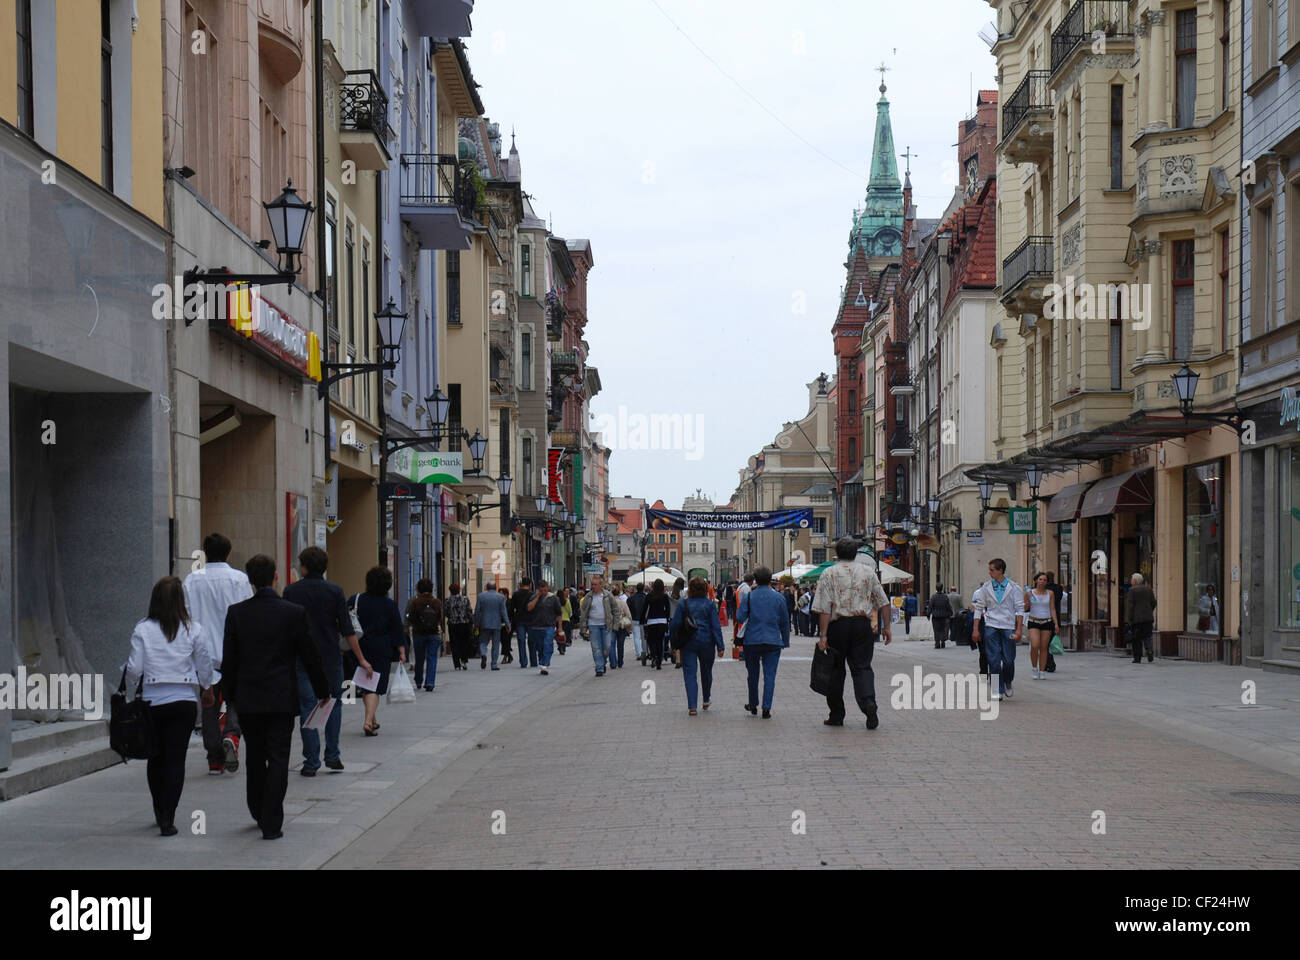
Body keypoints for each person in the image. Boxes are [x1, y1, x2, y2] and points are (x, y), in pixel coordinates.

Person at [222, 554, 328, 840]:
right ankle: (272, 819)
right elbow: (309, 654)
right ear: (276, 577)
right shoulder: (292, 612)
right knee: (279, 757)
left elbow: (229, 660)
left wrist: (228, 696)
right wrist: (323, 691)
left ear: (250, 580)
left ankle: (257, 809)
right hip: (281, 697)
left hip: (249, 698)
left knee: (255, 756)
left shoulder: (236, 613)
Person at [126, 577, 215, 836]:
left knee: (155, 757)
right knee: (176, 759)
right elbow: (204, 664)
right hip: (183, 700)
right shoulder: (194, 629)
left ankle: (158, 807)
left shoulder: (142, 629)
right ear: (180, 601)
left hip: (153, 701)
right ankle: (169, 817)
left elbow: (135, 669)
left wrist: (136, 681)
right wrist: (207, 689)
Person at [181, 532, 253, 775]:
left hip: (203, 653)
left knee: (209, 704)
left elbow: (186, 618)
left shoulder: (191, 581)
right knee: (235, 699)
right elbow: (247, 612)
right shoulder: (239, 579)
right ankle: (232, 735)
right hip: (234, 649)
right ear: (228, 553)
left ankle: (214, 757)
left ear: (205, 552)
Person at [283, 547, 356, 775]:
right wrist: (361, 658)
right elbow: (346, 628)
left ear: (303, 567)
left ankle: (311, 761)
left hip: (302, 658)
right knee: (333, 703)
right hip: (331, 657)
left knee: (308, 706)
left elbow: (286, 630)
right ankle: (332, 755)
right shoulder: (335, 591)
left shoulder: (291, 592)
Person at [811, 539, 892, 729]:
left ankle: (837, 715)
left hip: (838, 626)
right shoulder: (868, 572)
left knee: (835, 671)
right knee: (862, 667)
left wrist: (823, 635)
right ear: (856, 553)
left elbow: (824, 608)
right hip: (862, 626)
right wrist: (887, 627)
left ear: (837, 554)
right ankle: (868, 703)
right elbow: (884, 602)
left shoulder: (828, 573)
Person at [353, 567, 406, 734]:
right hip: (381, 649)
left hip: (359, 647)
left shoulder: (356, 600)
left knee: (366, 684)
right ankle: (369, 721)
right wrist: (402, 651)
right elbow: (397, 629)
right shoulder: (389, 604)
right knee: (374, 687)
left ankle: (373, 720)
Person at [737, 567, 790, 719]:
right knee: (770, 675)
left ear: (755, 580)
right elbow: (785, 622)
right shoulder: (779, 598)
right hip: (773, 640)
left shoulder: (749, 597)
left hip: (752, 640)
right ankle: (766, 707)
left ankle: (753, 703)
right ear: (770, 579)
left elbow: (740, 617)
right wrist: (785, 641)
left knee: (752, 674)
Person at [668, 577, 725, 716]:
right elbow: (715, 627)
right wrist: (720, 646)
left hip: (688, 642)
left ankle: (692, 706)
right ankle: (706, 699)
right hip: (707, 642)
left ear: (690, 590)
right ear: (706, 590)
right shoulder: (710, 605)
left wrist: (673, 643)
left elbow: (674, 625)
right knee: (706, 672)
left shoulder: (683, 604)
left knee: (690, 674)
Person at [971, 560, 1025, 699]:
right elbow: (979, 609)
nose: (990, 573)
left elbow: (1020, 610)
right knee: (993, 660)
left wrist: (1019, 630)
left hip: (1008, 626)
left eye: (992, 570)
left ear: (1000, 570)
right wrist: (975, 629)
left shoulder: (1014, 587)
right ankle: (997, 689)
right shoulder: (986, 588)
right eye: (989, 570)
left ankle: (1007, 681)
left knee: (1008, 660)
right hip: (991, 625)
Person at [403, 579, 443, 690]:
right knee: (432, 658)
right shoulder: (437, 602)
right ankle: (430, 682)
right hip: (433, 633)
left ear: (419, 589)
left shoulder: (415, 602)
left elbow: (411, 617)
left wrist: (412, 626)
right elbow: (440, 617)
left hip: (418, 634)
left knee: (419, 658)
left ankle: (419, 680)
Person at [579, 575, 618, 676]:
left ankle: (603, 662)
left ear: (601, 585)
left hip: (606, 625)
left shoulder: (607, 595)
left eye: (595, 584)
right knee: (596, 648)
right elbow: (583, 613)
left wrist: (615, 625)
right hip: (593, 625)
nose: (593, 586)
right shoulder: (588, 597)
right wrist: (583, 627)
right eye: (592, 584)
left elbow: (616, 610)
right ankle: (599, 668)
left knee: (607, 647)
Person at [1024, 572, 1060, 680]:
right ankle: (1034, 667)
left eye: (1044, 580)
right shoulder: (1030, 593)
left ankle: (1042, 670)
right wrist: (1027, 604)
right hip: (1034, 621)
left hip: (1047, 621)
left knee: (1044, 647)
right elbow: (1025, 608)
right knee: (1035, 645)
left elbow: (1052, 608)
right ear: (1036, 581)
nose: (1042, 581)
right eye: (1040, 579)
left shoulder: (1050, 593)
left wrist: (1056, 623)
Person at [525, 580, 564, 675]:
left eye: (545, 590)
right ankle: (543, 660)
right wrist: (537, 597)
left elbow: (559, 613)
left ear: (548, 589)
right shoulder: (534, 597)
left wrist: (560, 627)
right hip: (536, 627)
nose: (544, 592)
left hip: (549, 626)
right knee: (540, 647)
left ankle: (544, 664)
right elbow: (529, 608)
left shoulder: (553, 599)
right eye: (541, 590)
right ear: (538, 590)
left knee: (548, 644)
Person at [474, 583, 510, 671]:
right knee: (496, 644)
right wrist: (507, 624)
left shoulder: (481, 596)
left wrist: (476, 624)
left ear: (486, 588)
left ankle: (483, 654)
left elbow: (477, 611)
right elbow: (503, 612)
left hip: (484, 623)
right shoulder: (501, 597)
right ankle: (494, 664)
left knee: (483, 641)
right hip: (496, 623)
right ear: (496, 588)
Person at [641, 578, 671, 669]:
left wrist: (642, 620)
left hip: (651, 621)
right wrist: (666, 618)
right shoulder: (665, 596)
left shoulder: (649, 596)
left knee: (651, 640)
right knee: (660, 641)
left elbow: (645, 608)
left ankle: (653, 655)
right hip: (662, 621)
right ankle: (659, 661)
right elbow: (668, 609)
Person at [1127, 573, 1157, 663]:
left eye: (1132, 579)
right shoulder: (1148, 589)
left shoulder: (1132, 590)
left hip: (1136, 620)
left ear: (1135, 581)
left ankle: (1137, 657)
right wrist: (1149, 611)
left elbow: (1130, 606)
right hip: (1148, 619)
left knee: (1136, 639)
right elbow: (1154, 603)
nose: (1131, 581)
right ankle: (1149, 651)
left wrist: (1130, 618)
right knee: (1147, 636)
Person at [445, 583, 473, 670]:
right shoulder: (465, 599)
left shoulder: (448, 600)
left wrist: (451, 616)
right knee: (464, 643)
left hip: (453, 624)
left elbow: (446, 613)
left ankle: (456, 664)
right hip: (464, 623)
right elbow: (469, 611)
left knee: (454, 644)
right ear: (459, 590)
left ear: (450, 591)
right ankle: (464, 661)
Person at [510, 578, 536, 668]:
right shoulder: (532, 594)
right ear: (530, 584)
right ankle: (533, 661)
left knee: (521, 641)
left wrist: (511, 619)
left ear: (521, 584)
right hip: (531, 620)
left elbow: (512, 607)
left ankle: (523, 662)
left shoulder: (516, 594)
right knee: (532, 641)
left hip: (519, 620)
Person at [610, 582, 633, 669]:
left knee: (611, 644)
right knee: (620, 645)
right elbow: (629, 615)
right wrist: (630, 628)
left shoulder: (609, 603)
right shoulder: (623, 602)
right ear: (619, 594)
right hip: (622, 625)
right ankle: (620, 661)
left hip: (612, 625)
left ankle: (613, 662)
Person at [733, 573, 755, 654]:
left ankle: (741, 650)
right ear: (751, 581)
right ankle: (742, 652)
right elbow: (749, 600)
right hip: (744, 612)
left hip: (740, 610)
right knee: (743, 632)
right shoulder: (746, 588)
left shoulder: (740, 586)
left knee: (740, 631)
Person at [626, 582, 648, 663]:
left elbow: (628, 608)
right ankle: (644, 652)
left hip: (634, 618)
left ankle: (639, 653)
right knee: (644, 637)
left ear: (636, 589)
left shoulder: (631, 598)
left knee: (637, 637)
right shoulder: (646, 597)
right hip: (644, 619)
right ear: (643, 589)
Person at [668, 578, 686, 667]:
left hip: (672, 619)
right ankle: (680, 658)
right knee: (681, 638)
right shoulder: (683, 594)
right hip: (681, 619)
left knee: (673, 640)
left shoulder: (669, 594)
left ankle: (676, 657)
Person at [498, 587, 514, 664]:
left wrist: (509, 624)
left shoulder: (510, 602)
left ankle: (505, 657)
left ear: (506, 594)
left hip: (509, 624)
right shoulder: (498, 603)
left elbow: (511, 613)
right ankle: (509, 656)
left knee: (506, 641)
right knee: (503, 641)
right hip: (500, 624)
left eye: (501, 594)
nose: (500, 596)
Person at [557, 588, 574, 656]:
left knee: (558, 634)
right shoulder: (566, 601)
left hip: (557, 620)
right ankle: (563, 648)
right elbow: (569, 610)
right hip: (566, 619)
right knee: (564, 634)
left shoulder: (556, 601)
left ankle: (559, 645)